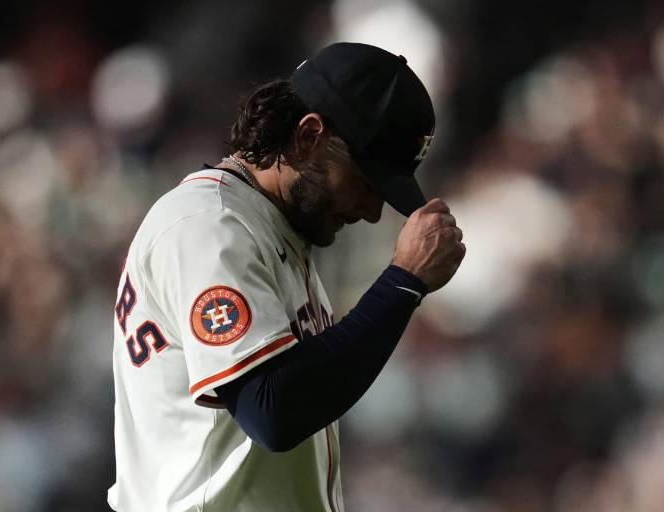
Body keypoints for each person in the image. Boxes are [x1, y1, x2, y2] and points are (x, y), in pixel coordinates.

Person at [108, 42, 465, 512]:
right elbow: (272, 410)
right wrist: (402, 283)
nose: (373, 211)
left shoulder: (266, 229)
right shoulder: (208, 225)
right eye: (365, 181)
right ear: (308, 136)